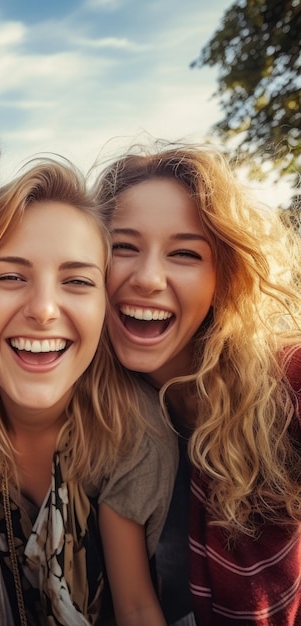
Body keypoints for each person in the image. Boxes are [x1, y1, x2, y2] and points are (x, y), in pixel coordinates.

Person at [0, 158, 178, 625]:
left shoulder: (134, 432)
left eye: (77, 281)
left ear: (106, 304)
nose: (42, 309)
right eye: (10, 277)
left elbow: (136, 605)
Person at [92, 141, 301, 625]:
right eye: (123, 246)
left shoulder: (282, 381)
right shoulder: (92, 402)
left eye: (184, 253)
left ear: (223, 276)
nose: (147, 278)